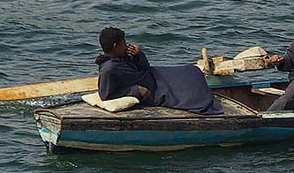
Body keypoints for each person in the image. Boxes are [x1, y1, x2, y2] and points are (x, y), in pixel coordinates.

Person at [95, 27, 223, 115]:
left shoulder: (121, 57)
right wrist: (135, 90)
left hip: (154, 74)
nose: (126, 45)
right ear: (115, 46)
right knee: (190, 95)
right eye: (123, 43)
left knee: (191, 71)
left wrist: (138, 55)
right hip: (154, 89)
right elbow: (106, 95)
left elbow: (144, 67)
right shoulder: (108, 70)